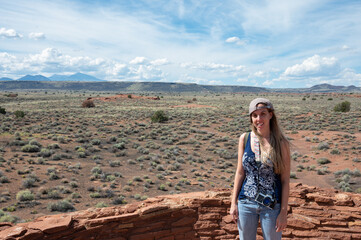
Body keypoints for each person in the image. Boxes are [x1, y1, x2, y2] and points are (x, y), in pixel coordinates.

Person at [230, 98, 290, 240]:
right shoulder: (244, 138)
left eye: (263, 113)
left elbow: (285, 181)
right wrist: (233, 203)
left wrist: (283, 213)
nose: (259, 119)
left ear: (271, 115)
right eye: (255, 115)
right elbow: (240, 172)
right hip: (245, 203)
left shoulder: (281, 143)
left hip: (271, 206)